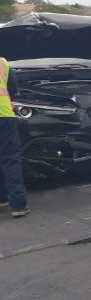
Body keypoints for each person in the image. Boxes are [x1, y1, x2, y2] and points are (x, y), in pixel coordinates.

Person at [0, 56, 30, 218]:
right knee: (10, 158)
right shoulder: (2, 63)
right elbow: (12, 89)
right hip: (4, 116)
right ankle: (18, 206)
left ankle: (2, 197)